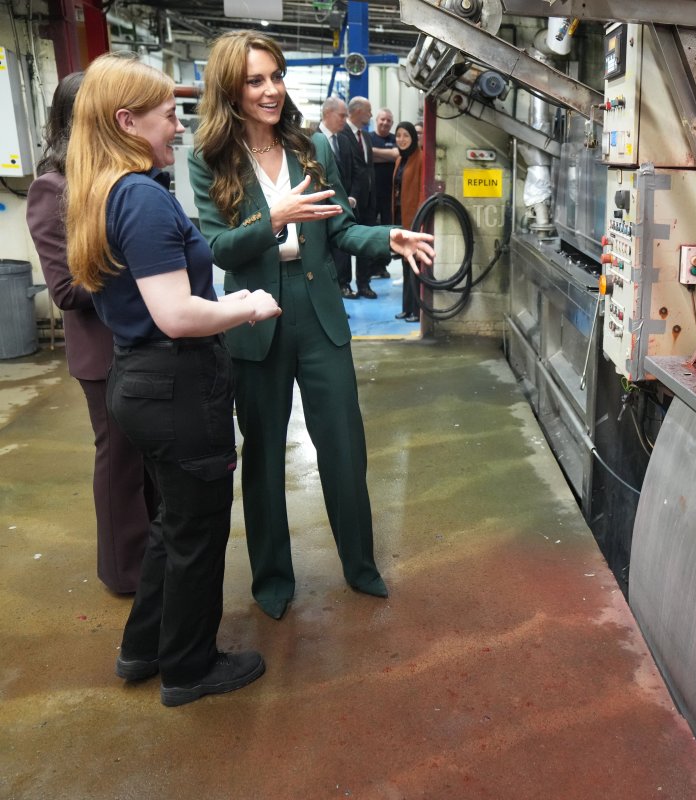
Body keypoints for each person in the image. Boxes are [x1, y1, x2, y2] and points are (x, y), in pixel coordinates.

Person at [188, 31, 435, 620]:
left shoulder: (310, 147)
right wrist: (274, 218)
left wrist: (387, 237)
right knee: (264, 454)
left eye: (275, 76)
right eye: (255, 80)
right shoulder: (210, 159)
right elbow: (217, 248)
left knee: (344, 445)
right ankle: (273, 580)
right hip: (255, 314)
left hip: (319, 311)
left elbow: (340, 226)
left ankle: (360, 565)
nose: (271, 90)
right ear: (230, 89)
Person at [65, 52, 281, 706]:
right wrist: (246, 307)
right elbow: (176, 314)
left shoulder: (104, 191)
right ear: (126, 121)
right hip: (176, 385)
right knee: (198, 532)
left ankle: (143, 648)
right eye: (166, 115)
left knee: (172, 524)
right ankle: (190, 668)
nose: (177, 126)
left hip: (141, 377)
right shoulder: (141, 198)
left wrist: (218, 301)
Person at [27, 72, 158, 596]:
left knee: (146, 462)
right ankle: (125, 572)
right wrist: (143, 264)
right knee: (120, 464)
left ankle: (150, 558)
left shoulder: (115, 179)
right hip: (103, 354)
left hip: (141, 344)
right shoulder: (51, 188)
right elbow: (64, 289)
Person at [314, 96, 356, 299]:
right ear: (327, 113)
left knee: (342, 250)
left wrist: (351, 196)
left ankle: (342, 286)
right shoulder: (310, 141)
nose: (345, 120)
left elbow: (353, 171)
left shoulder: (344, 141)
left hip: (341, 208)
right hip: (319, 210)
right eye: (342, 116)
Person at [337, 96, 378, 299]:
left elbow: (367, 169)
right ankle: (344, 284)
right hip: (350, 200)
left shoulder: (366, 137)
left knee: (366, 244)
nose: (371, 115)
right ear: (359, 111)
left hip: (368, 200)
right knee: (346, 245)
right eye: (368, 111)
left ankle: (364, 284)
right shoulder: (341, 134)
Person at [392, 121, 425, 323]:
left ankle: (416, 310)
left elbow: (422, 192)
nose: (401, 139)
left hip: (413, 220)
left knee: (414, 266)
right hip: (400, 218)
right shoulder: (400, 159)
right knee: (405, 266)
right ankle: (407, 308)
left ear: (413, 138)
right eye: (398, 135)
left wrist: (419, 222)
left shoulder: (421, 159)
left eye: (406, 135)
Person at [367, 108, 398, 279]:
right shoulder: (368, 137)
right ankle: (369, 267)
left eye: (389, 120)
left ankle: (381, 266)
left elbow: (396, 155)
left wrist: (373, 152)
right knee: (371, 231)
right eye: (382, 119)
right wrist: (388, 155)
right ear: (376, 120)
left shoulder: (395, 139)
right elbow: (367, 156)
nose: (385, 123)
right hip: (371, 194)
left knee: (387, 231)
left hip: (389, 195)